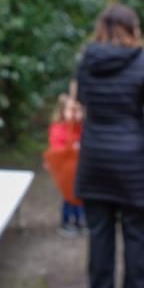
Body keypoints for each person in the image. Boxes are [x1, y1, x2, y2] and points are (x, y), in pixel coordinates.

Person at [75, 5, 144, 288]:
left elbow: (84, 102)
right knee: (135, 235)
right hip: (134, 163)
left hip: (95, 159)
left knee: (99, 233)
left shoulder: (87, 62)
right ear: (133, 27)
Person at [43, 93, 85, 238]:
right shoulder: (58, 128)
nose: (75, 114)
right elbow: (56, 149)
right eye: (71, 110)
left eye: (78, 110)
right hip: (66, 171)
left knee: (80, 195)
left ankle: (80, 220)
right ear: (62, 111)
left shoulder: (82, 127)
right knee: (69, 196)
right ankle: (66, 222)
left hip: (79, 169)